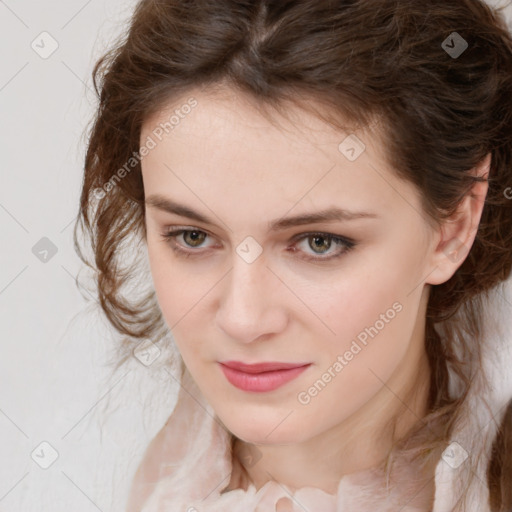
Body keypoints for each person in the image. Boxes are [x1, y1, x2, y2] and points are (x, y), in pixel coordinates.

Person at [74, 0, 512, 510]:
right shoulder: (146, 481)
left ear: (453, 228)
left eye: (318, 243)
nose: (243, 319)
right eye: (193, 236)